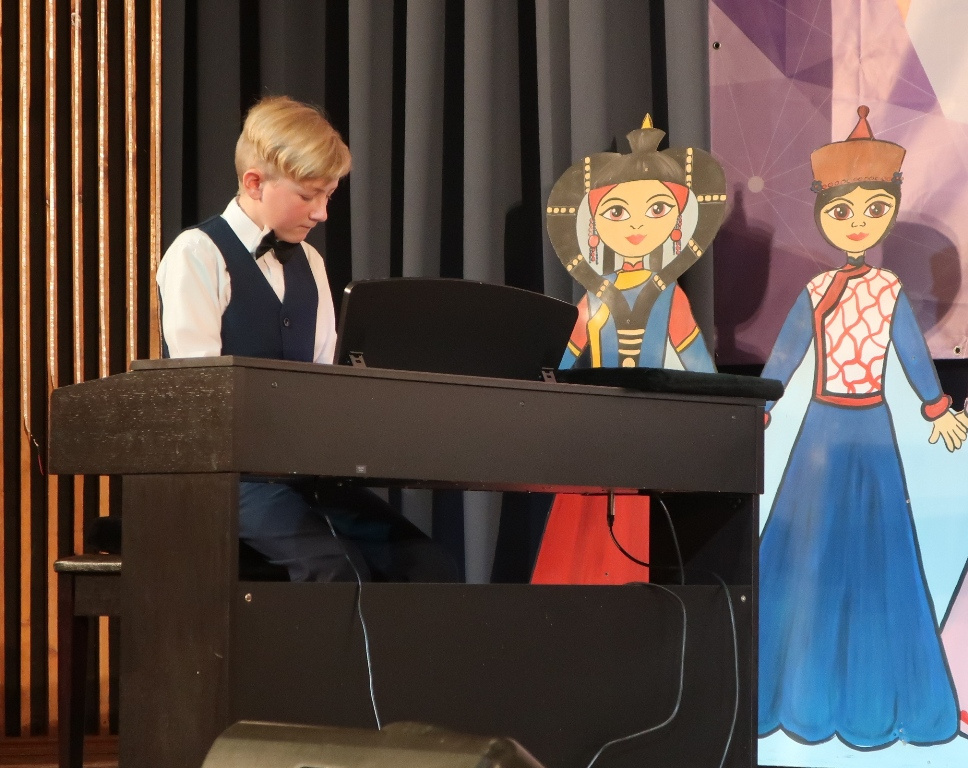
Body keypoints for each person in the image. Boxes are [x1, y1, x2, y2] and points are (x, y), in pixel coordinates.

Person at [157, 95, 456, 583]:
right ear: (255, 183)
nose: (321, 213)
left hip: (303, 475)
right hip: (230, 481)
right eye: (308, 195)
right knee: (333, 569)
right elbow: (199, 392)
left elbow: (323, 378)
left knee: (427, 565)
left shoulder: (311, 263)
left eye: (328, 196)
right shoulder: (198, 254)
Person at [758, 106, 963, 747]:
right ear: (822, 212)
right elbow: (788, 354)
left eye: (873, 209)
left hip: (872, 431)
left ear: (890, 211)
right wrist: (758, 407)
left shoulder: (890, 290)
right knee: (807, 555)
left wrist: (937, 408)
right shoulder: (817, 289)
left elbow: (912, 355)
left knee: (877, 559)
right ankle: (794, 695)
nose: (857, 223)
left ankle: (875, 702)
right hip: (819, 433)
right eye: (842, 210)